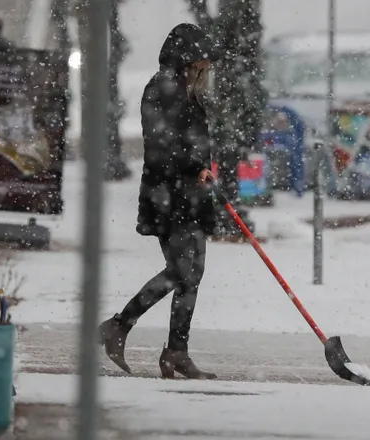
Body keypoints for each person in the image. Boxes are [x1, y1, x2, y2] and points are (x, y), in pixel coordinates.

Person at [98, 23, 220, 380]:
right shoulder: (163, 88)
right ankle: (121, 325)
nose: (205, 68)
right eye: (200, 61)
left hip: (189, 197)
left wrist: (201, 169)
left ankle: (175, 352)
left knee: (191, 275)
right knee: (182, 271)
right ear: (186, 58)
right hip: (171, 197)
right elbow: (161, 145)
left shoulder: (184, 91)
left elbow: (189, 141)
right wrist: (193, 168)